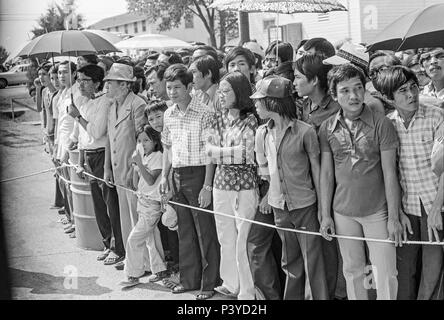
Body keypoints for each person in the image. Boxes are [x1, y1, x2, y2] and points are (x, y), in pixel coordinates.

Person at [319, 64, 403, 300]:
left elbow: (390, 173)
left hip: (377, 211)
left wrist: (394, 217)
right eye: (345, 90)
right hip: (343, 212)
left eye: (358, 88)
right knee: (352, 272)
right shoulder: (327, 128)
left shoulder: (381, 123)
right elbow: (326, 174)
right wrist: (325, 214)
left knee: (385, 272)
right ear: (334, 95)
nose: (353, 96)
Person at [252, 75, 329, 300]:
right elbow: (263, 169)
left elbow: (317, 171)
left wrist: (322, 210)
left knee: (313, 261)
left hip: (305, 204)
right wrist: (269, 195)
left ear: (273, 102)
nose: (256, 105)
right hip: (279, 206)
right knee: (289, 261)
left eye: (260, 100)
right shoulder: (261, 133)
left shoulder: (306, 131)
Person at [374, 65, 444, 300]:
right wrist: (398, 212)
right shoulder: (388, 124)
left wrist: (436, 209)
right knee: (405, 271)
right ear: (388, 98)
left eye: (413, 87)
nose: (411, 95)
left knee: (433, 270)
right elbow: (390, 171)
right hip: (408, 208)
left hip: (437, 205)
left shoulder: (435, 116)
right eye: (402, 91)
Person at [159, 64, 220, 300]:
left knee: (205, 232)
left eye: (177, 87)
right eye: (169, 87)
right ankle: (188, 279)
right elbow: (167, 146)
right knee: (184, 232)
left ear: (189, 87)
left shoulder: (205, 112)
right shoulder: (168, 113)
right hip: (177, 174)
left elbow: (211, 153)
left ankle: (209, 283)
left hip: (199, 175)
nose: (172, 92)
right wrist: (164, 176)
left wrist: (207, 185)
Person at [293, 53, 345, 300]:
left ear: (314, 80)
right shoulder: (304, 105)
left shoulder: (336, 107)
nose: (294, 82)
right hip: (309, 184)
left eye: (298, 77)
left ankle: (340, 293)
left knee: (336, 242)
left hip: (335, 183)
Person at [103, 63, 164, 270]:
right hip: (117, 169)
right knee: (127, 217)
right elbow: (109, 139)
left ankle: (150, 263)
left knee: (143, 220)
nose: (106, 86)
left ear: (124, 85)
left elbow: (143, 140)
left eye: (110, 82)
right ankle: (134, 260)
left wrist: (134, 169)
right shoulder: (112, 106)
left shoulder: (137, 104)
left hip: (135, 172)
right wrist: (106, 168)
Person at [206, 71, 258, 300]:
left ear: (240, 92)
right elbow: (208, 151)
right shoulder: (216, 118)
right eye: (221, 91)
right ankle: (230, 282)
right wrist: (229, 153)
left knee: (243, 239)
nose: (222, 95)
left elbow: (247, 155)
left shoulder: (251, 119)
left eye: (227, 90)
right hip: (221, 185)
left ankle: (247, 290)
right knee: (225, 236)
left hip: (245, 187)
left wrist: (221, 153)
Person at [66, 64, 124, 266]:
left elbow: (97, 132)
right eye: (78, 79)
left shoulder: (104, 102)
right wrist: (80, 161)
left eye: (85, 80)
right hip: (89, 157)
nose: (80, 84)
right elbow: (81, 137)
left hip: (102, 156)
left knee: (110, 204)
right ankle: (108, 244)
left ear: (97, 83)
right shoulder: (82, 102)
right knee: (98, 206)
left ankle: (118, 247)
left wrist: (78, 117)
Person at [120, 125, 170, 287]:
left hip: (152, 205)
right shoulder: (144, 157)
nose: (142, 144)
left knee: (134, 239)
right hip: (142, 202)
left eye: (146, 140)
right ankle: (159, 268)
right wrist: (134, 167)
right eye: (139, 141)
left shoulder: (157, 156)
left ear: (155, 141)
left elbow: (150, 180)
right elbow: (134, 184)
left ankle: (133, 274)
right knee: (151, 238)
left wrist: (140, 164)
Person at [145, 100, 180, 273]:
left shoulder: (174, 131)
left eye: (159, 116)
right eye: (151, 120)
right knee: (170, 224)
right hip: (168, 185)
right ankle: (175, 261)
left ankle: (181, 264)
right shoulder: (159, 137)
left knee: (178, 225)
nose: (156, 122)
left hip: (178, 184)